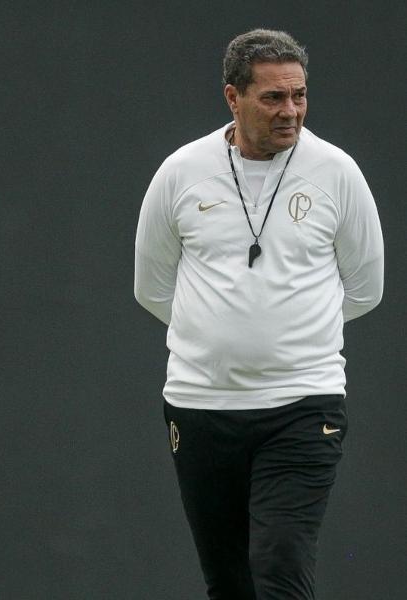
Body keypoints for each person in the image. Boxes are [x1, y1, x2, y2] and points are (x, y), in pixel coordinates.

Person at [134, 28, 384, 600]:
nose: (290, 111)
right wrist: (218, 338)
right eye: (273, 97)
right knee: (230, 583)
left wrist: (289, 339)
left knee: (281, 568)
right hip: (200, 408)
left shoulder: (337, 173)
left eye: (299, 96)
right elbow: (152, 287)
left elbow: (366, 287)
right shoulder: (181, 173)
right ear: (233, 97)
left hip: (302, 406)